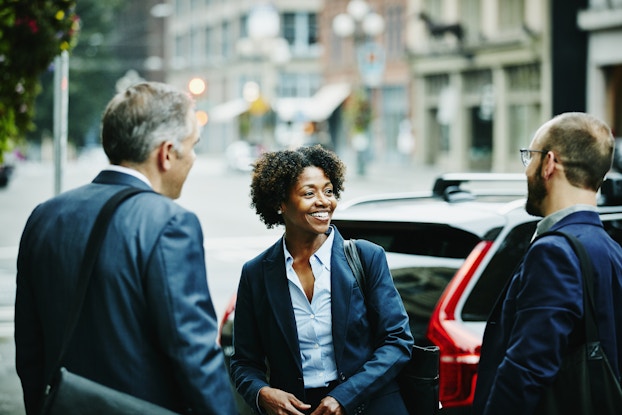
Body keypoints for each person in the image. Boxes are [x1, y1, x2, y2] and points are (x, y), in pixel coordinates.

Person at [14, 82, 236, 415]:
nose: (192, 158)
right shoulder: (171, 223)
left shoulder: (45, 215)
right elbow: (194, 354)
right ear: (165, 153)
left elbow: (29, 346)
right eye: (192, 146)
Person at [230, 145, 414, 415]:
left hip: (370, 405)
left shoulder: (366, 257)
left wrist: (345, 396)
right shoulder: (256, 273)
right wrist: (262, 393)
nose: (324, 201)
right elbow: (244, 362)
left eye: (328, 191)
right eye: (309, 193)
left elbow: (397, 340)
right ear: (280, 203)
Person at [473, 112, 622, 414]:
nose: (527, 169)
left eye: (530, 157)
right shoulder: (612, 250)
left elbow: (526, 369)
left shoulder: (554, 252)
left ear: (550, 163)